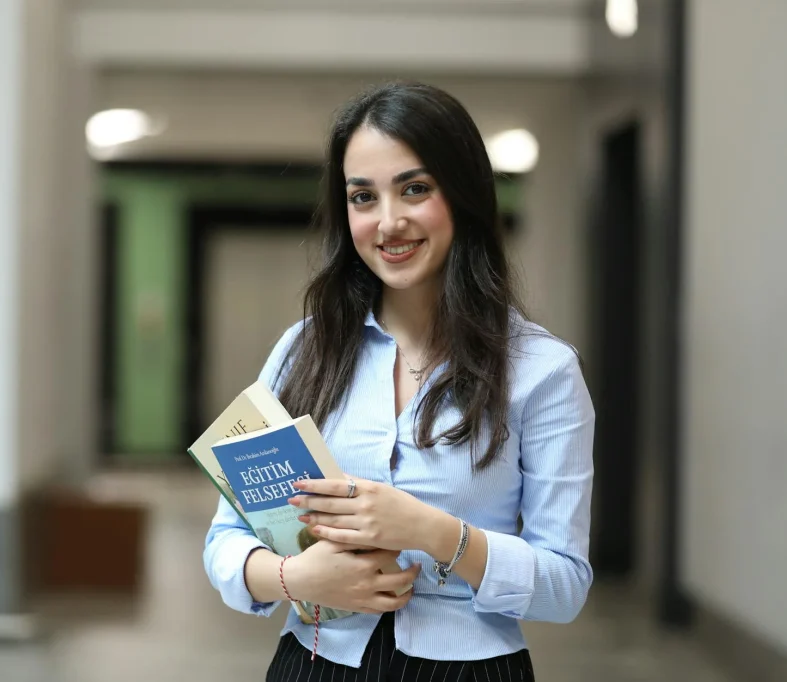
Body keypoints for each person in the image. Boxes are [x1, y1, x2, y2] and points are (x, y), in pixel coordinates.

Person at [202, 81, 595, 682]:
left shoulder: (542, 371)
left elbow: (565, 585)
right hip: (314, 661)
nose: (388, 222)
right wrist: (297, 577)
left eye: (414, 189)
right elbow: (225, 540)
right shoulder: (304, 351)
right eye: (363, 196)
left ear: (461, 196)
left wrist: (431, 532)